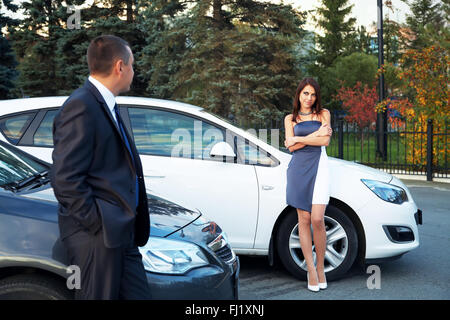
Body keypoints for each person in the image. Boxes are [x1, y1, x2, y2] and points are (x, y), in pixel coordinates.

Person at [50, 35, 151, 300]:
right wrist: (96, 223)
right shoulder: (81, 106)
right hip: (99, 236)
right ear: (120, 66)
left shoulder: (105, 103)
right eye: (132, 65)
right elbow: (65, 178)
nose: (133, 71)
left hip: (121, 232)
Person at [284, 77, 332, 292]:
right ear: (299, 94)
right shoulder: (290, 118)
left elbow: (325, 142)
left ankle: (321, 267)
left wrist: (297, 139)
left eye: (313, 94)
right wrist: (314, 135)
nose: (309, 98)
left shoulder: (324, 114)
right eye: (306, 93)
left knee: (317, 219)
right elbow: (291, 149)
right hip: (298, 170)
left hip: (320, 166)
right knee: (303, 219)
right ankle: (311, 270)